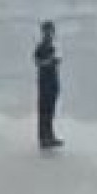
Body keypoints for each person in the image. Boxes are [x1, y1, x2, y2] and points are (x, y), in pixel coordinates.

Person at [34, 21, 64, 149]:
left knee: (50, 112)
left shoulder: (52, 47)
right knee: (44, 111)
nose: (50, 34)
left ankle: (50, 136)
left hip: (52, 83)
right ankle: (43, 138)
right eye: (48, 31)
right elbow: (38, 62)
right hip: (44, 83)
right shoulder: (41, 47)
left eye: (52, 31)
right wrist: (50, 61)